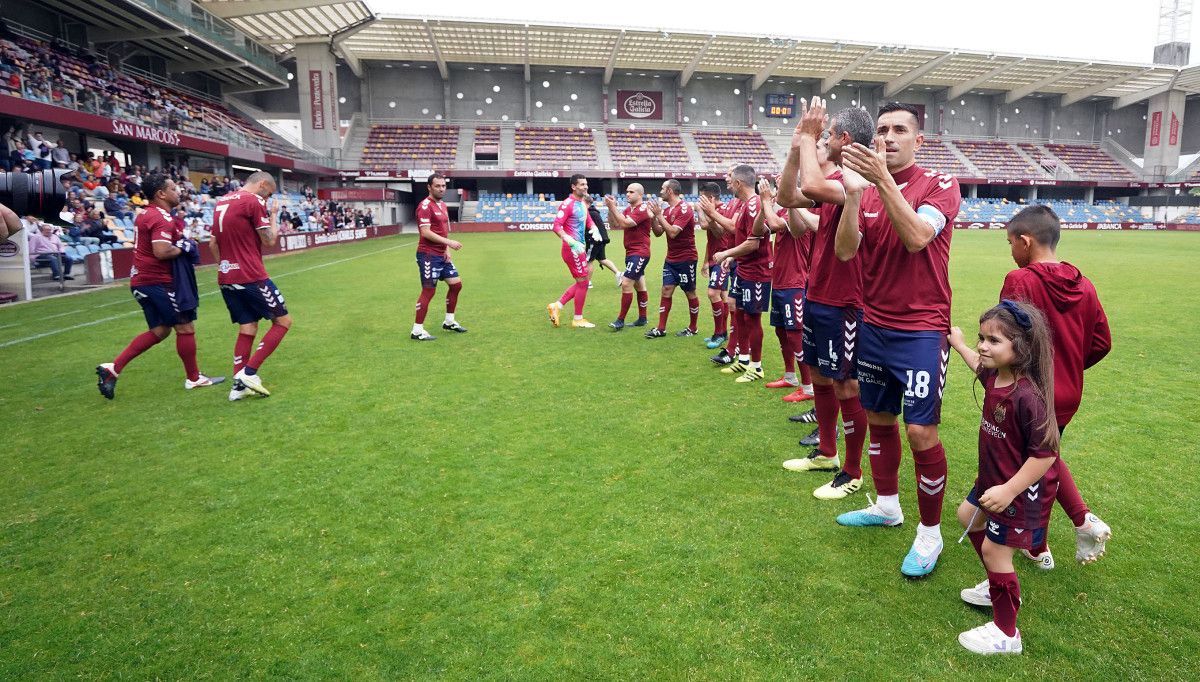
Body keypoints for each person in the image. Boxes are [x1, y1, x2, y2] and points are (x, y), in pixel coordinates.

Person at [834, 102, 962, 578]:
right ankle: (888, 506)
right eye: (882, 130)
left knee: (920, 430)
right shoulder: (865, 192)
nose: (888, 137)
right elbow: (846, 251)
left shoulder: (940, 185)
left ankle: (931, 532)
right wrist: (851, 195)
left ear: (918, 140)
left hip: (922, 330)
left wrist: (882, 182)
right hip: (874, 326)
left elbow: (916, 237)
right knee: (880, 419)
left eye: (899, 130)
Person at [1000, 205, 1113, 566]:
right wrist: (1069, 369)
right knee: (1046, 457)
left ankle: (1040, 544)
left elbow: (1008, 338)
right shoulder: (1085, 284)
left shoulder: (1021, 281)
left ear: (1025, 241)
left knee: (1034, 464)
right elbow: (1102, 342)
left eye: (1010, 243)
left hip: (1030, 392)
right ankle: (1077, 522)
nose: (1011, 251)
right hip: (1067, 393)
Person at [947, 301, 1059, 655]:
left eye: (993, 340)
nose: (983, 346)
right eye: (982, 338)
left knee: (997, 551)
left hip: (1016, 492)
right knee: (967, 517)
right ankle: (997, 583)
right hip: (991, 481)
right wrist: (960, 343)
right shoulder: (995, 375)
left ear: (1021, 347)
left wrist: (1010, 490)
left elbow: (1045, 456)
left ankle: (1006, 633)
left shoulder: (1028, 398)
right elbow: (975, 363)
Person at [778, 99, 876, 501]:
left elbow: (813, 186)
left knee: (846, 385)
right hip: (819, 295)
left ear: (844, 139)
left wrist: (805, 136)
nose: (825, 139)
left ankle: (852, 472)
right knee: (819, 375)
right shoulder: (835, 179)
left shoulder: (856, 180)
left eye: (829, 134)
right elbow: (788, 196)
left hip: (846, 302)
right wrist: (793, 151)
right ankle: (826, 452)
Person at [96, 174, 221, 399]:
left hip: (142, 281)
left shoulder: (147, 213)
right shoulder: (161, 217)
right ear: (161, 194)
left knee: (160, 331)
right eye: (174, 188)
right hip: (157, 281)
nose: (179, 192)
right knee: (185, 327)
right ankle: (194, 379)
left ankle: (112, 369)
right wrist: (184, 246)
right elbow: (161, 252)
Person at [210, 171, 291, 401]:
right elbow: (269, 240)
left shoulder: (222, 201)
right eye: (269, 194)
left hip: (226, 277)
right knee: (283, 321)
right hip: (250, 275)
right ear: (262, 184)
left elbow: (213, 242)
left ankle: (238, 386)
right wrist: (273, 216)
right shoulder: (254, 201)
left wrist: (226, 266)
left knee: (247, 327)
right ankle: (250, 373)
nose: (267, 199)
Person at [760, 179, 815, 402]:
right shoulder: (783, 209)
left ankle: (808, 386)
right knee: (782, 332)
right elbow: (760, 228)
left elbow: (774, 225)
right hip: (780, 281)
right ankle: (790, 376)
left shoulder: (801, 211)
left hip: (795, 282)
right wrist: (768, 203)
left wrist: (765, 200)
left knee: (796, 335)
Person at [412, 173, 466, 340]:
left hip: (441, 255)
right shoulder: (425, 206)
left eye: (443, 186)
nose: (441, 189)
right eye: (437, 186)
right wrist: (449, 243)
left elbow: (442, 229)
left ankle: (449, 321)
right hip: (427, 255)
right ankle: (417, 330)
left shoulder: (442, 205)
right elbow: (425, 232)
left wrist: (446, 250)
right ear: (429, 187)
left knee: (456, 285)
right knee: (429, 291)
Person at [646, 179, 699, 338]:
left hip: (686, 259)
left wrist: (658, 215)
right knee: (666, 290)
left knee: (690, 292)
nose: (660, 191)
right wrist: (653, 218)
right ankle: (661, 328)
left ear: (670, 191)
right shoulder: (668, 210)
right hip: (671, 259)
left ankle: (693, 327)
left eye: (662, 188)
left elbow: (673, 232)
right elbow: (658, 232)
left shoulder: (684, 208)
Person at [546, 173, 596, 328]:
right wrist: (569, 240)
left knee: (583, 281)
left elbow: (587, 218)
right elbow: (556, 226)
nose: (585, 187)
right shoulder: (568, 203)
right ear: (573, 187)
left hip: (579, 247)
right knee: (583, 282)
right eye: (581, 184)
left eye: (586, 184)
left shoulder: (582, 203)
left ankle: (557, 306)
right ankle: (578, 319)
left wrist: (594, 227)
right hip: (572, 248)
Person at [604, 184, 652, 330]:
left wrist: (613, 207)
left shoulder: (643, 209)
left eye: (631, 192)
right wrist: (610, 209)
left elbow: (625, 222)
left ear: (640, 194)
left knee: (626, 283)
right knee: (639, 285)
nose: (627, 194)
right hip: (631, 252)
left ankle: (620, 320)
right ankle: (643, 318)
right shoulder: (628, 210)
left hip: (640, 252)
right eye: (627, 192)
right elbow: (614, 225)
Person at [697, 181, 734, 348]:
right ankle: (723, 333)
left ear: (710, 197)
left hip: (724, 260)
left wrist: (705, 212)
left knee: (713, 294)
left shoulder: (724, 210)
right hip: (714, 259)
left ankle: (719, 334)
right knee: (722, 295)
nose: (699, 199)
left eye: (702, 196)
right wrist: (705, 262)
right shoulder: (714, 211)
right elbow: (710, 239)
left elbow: (718, 233)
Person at [582, 194, 619, 287]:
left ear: (587, 203)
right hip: (601, 239)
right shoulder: (595, 212)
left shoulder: (589, 213)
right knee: (602, 259)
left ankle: (588, 282)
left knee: (588, 260)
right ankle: (619, 274)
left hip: (594, 240)